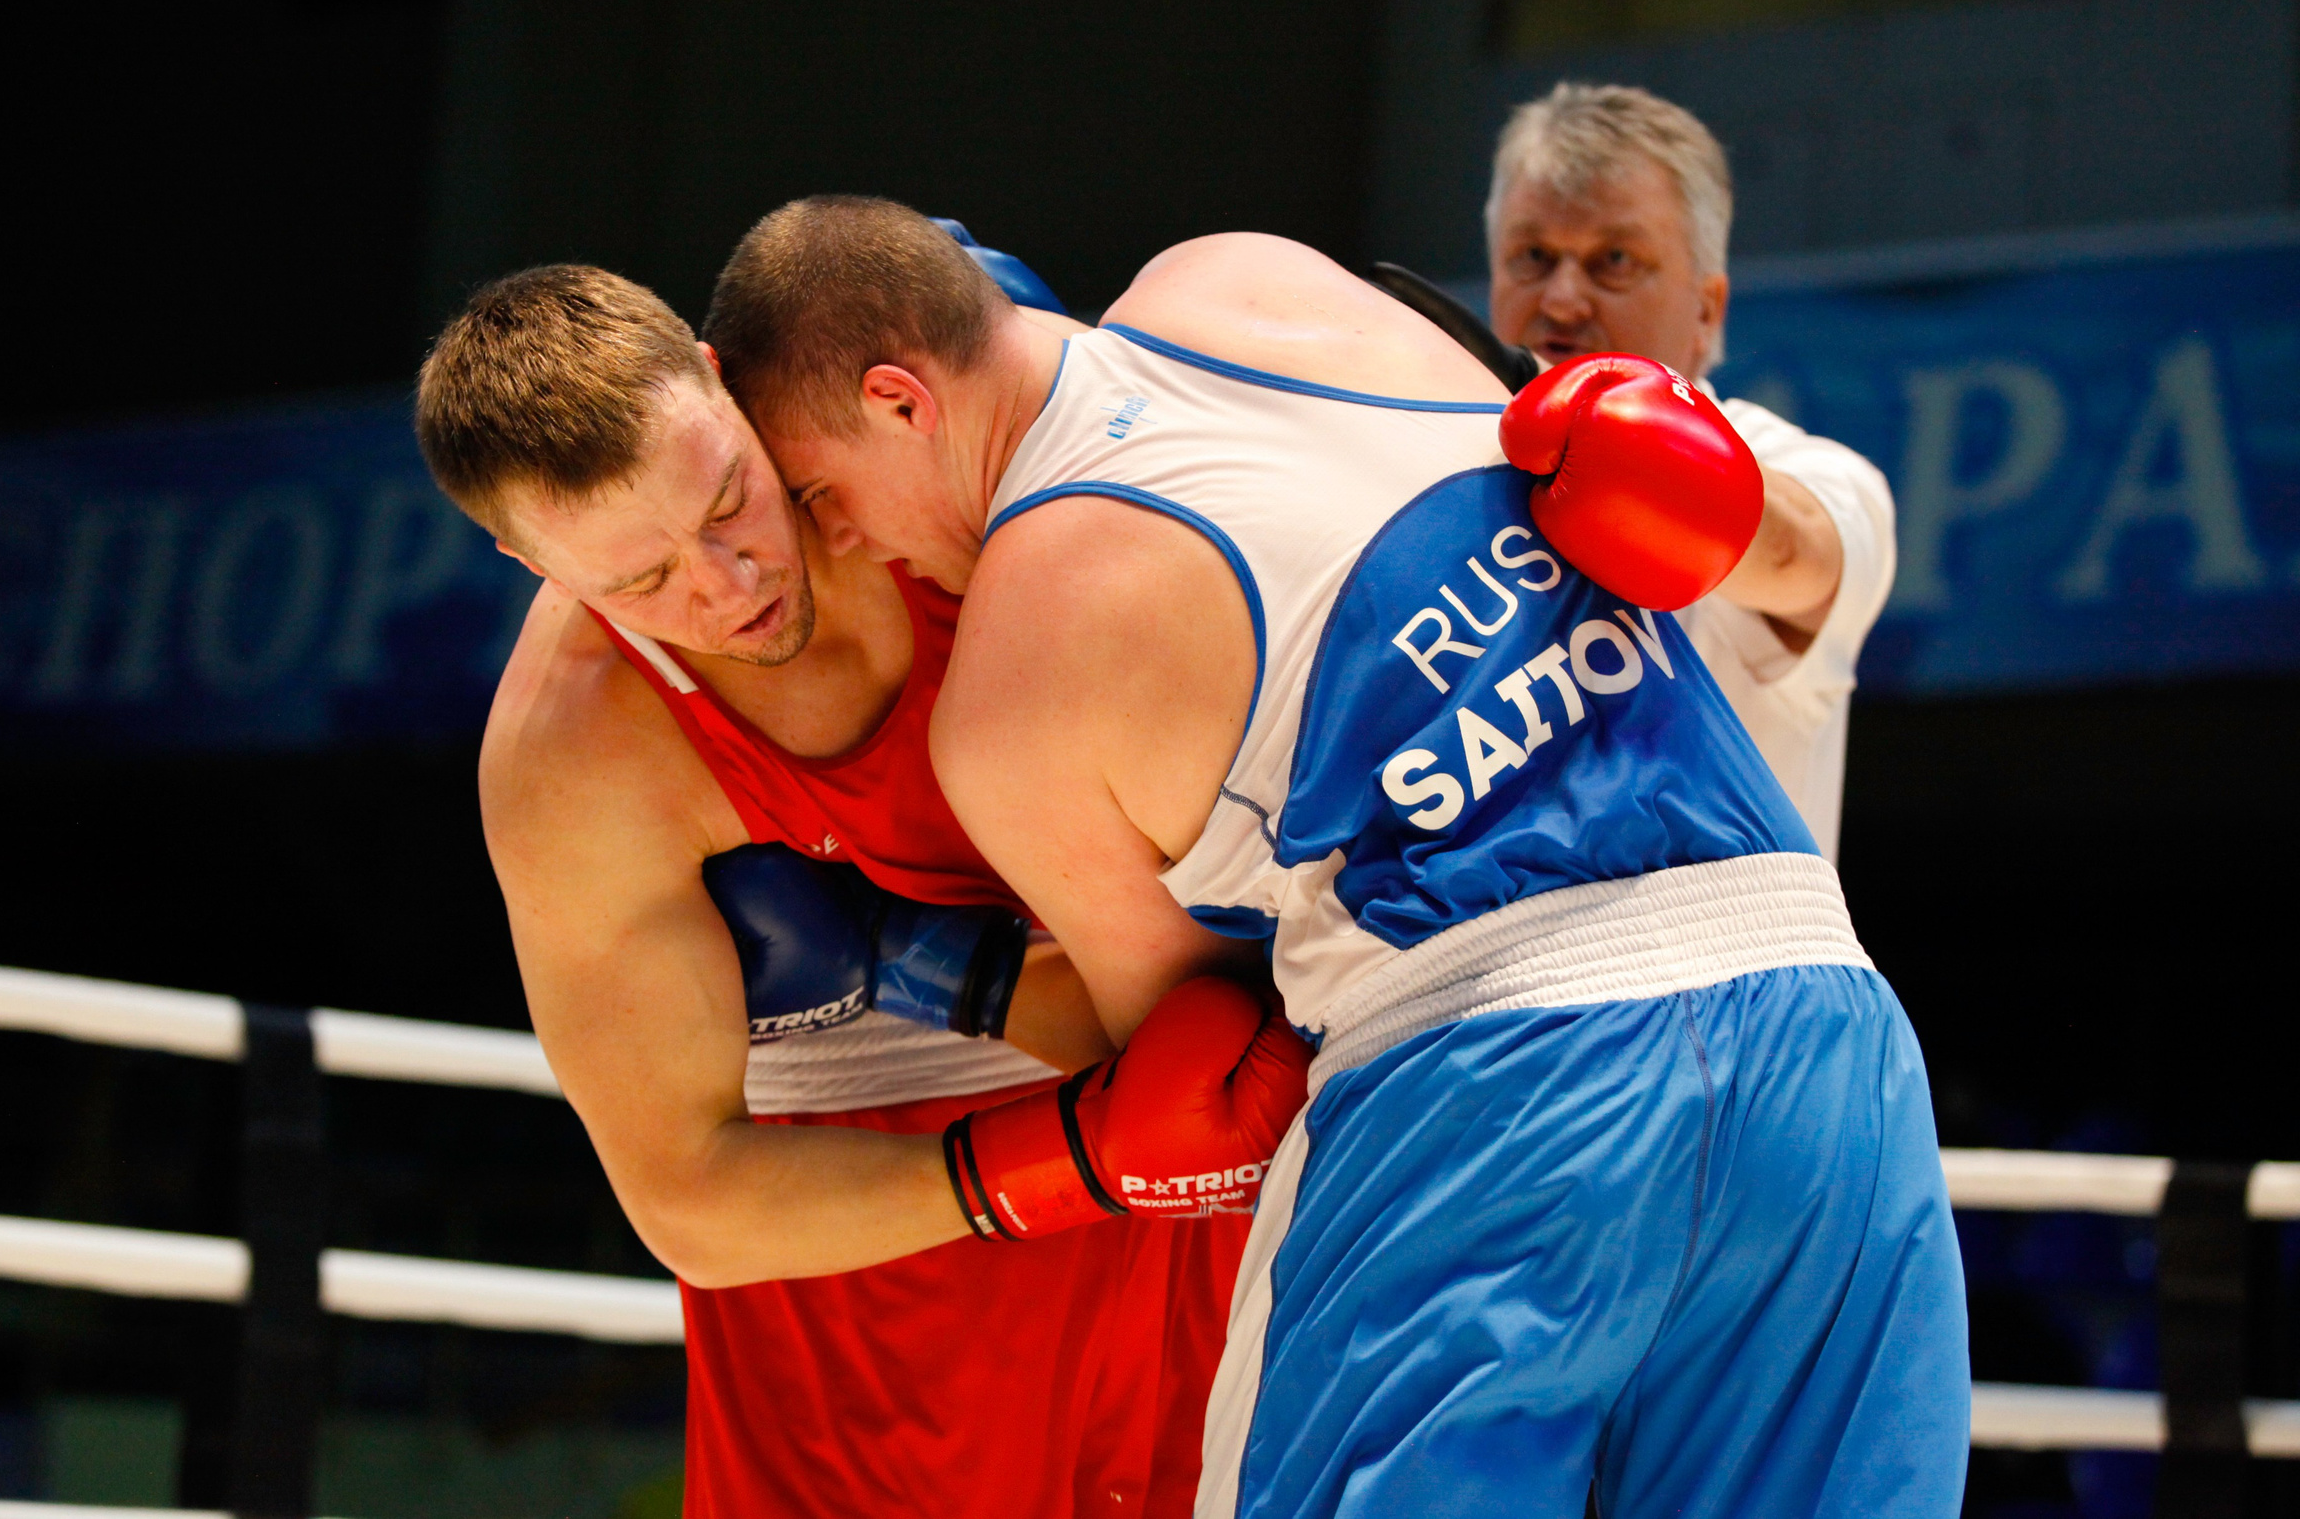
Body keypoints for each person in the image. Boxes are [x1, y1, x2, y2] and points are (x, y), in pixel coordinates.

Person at [706, 195, 1968, 1518]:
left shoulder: (1012, 689)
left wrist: (932, 969)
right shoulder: (1240, 275)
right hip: (1822, 1034)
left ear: (903, 399)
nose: (836, 538)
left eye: (817, 490)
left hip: (1484, 1081)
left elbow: (1225, 1060)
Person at [413, 254, 1301, 1519]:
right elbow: (692, 1200)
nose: (729, 585)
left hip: (1212, 1129)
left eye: (728, 503)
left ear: (726, 386)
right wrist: (1071, 1157)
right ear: (522, 557)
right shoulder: (586, 752)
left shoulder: (936, 449)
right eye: (641, 580)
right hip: (884, 1261)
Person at [1486, 83, 1896, 855]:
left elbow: (1798, 549)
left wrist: (1635, 455)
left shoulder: (1807, 469)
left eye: (1613, 260)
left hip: (1735, 970)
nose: (1563, 299)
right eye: (1534, 257)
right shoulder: (1436, 493)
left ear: (1707, 310)